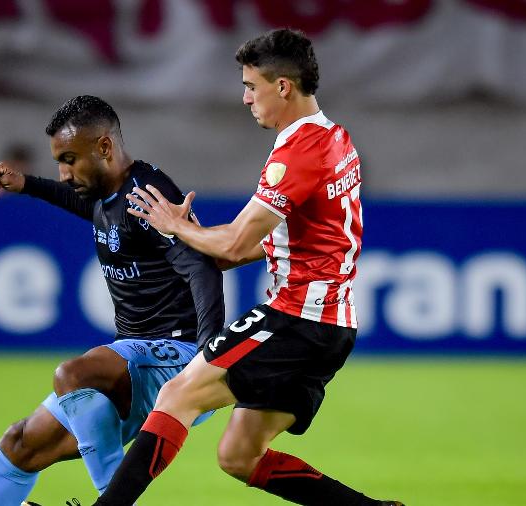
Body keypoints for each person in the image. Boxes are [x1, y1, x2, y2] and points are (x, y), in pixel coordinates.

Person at [83, 29, 404, 506]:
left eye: (252, 86)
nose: (245, 98)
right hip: (331, 327)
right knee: (240, 455)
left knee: (178, 394)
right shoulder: (335, 140)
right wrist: (187, 245)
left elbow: (235, 242)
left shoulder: (299, 152)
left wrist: (175, 226)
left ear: (283, 88)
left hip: (297, 317)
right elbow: (251, 249)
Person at [0, 95, 224, 506]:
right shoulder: (108, 196)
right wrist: (26, 184)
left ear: (104, 147)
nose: (63, 173)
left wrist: (207, 354)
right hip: (135, 363)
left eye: (69, 159)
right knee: (22, 443)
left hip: (178, 356)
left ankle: (111, 502)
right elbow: (87, 206)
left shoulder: (146, 193)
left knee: (72, 375)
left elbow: (201, 267)